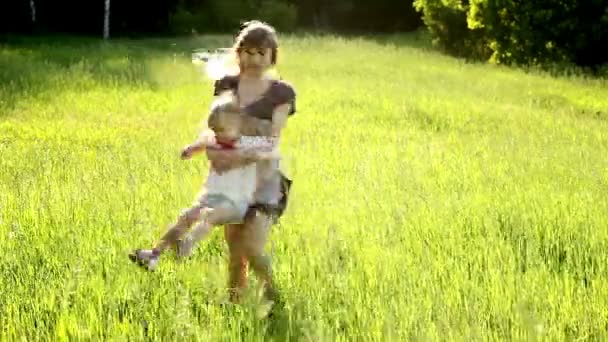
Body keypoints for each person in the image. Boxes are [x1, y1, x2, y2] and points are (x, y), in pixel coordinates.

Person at [178, 20, 297, 304]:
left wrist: (237, 156)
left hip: (264, 180)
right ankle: (234, 304)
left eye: (261, 53)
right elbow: (217, 126)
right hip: (231, 180)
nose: (254, 59)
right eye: (249, 52)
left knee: (252, 247)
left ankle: (272, 295)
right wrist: (202, 145)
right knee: (234, 251)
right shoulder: (227, 85)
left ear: (272, 56)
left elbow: (272, 141)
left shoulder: (282, 93)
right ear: (238, 52)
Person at [128, 92, 279, 271]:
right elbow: (204, 142)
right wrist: (191, 150)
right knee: (186, 216)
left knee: (209, 215)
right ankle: (154, 254)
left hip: (236, 202)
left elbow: (270, 144)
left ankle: (187, 246)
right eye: (215, 131)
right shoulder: (214, 139)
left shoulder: (245, 142)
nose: (218, 136)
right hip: (210, 196)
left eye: (222, 131)